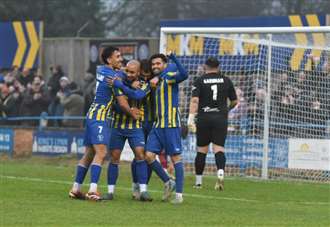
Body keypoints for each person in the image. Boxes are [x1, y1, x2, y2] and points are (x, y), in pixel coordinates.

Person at [68, 46, 139, 201]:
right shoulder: (112, 76)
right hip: (99, 117)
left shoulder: (103, 70)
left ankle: (76, 188)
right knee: (101, 152)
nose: (121, 60)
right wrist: (132, 107)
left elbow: (124, 75)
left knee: (89, 154)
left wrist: (127, 80)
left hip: (92, 115)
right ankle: (93, 190)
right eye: (118, 56)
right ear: (109, 59)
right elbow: (123, 98)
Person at [187, 57, 237, 190]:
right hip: (220, 118)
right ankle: (220, 173)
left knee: (201, 150)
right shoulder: (226, 80)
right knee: (219, 149)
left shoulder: (200, 80)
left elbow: (195, 101)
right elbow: (235, 101)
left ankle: (198, 183)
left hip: (204, 118)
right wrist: (227, 109)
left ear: (205, 66)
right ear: (218, 67)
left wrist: (190, 118)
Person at [105, 60, 152, 201]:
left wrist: (122, 86)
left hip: (135, 127)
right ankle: (110, 192)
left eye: (132, 72)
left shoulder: (145, 85)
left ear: (138, 73)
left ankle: (143, 191)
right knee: (114, 158)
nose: (129, 74)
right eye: (127, 71)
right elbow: (116, 104)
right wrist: (126, 87)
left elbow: (138, 96)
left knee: (140, 155)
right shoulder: (117, 81)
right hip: (117, 126)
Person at [145, 53, 188, 204]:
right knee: (149, 156)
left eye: (158, 63)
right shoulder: (155, 82)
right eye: (153, 64)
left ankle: (179, 196)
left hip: (171, 124)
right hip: (158, 125)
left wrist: (174, 58)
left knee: (175, 158)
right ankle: (168, 181)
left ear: (164, 64)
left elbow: (184, 74)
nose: (155, 66)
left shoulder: (169, 77)